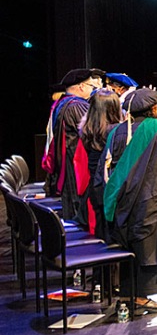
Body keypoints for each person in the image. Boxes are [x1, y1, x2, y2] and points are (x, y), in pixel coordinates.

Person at [94, 88, 157, 313]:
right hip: (151, 201)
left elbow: (103, 171)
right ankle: (140, 297)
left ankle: (126, 293)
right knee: (148, 248)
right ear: (153, 109)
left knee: (127, 246)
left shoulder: (115, 132)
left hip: (120, 203)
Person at [46, 68, 105, 225]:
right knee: (78, 210)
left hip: (68, 163)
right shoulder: (76, 106)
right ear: (81, 86)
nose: (94, 91)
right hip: (75, 165)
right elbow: (94, 132)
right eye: (92, 87)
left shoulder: (62, 102)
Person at [76, 88, 123, 237]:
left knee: (101, 229)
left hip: (94, 188)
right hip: (112, 188)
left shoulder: (86, 131)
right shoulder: (117, 132)